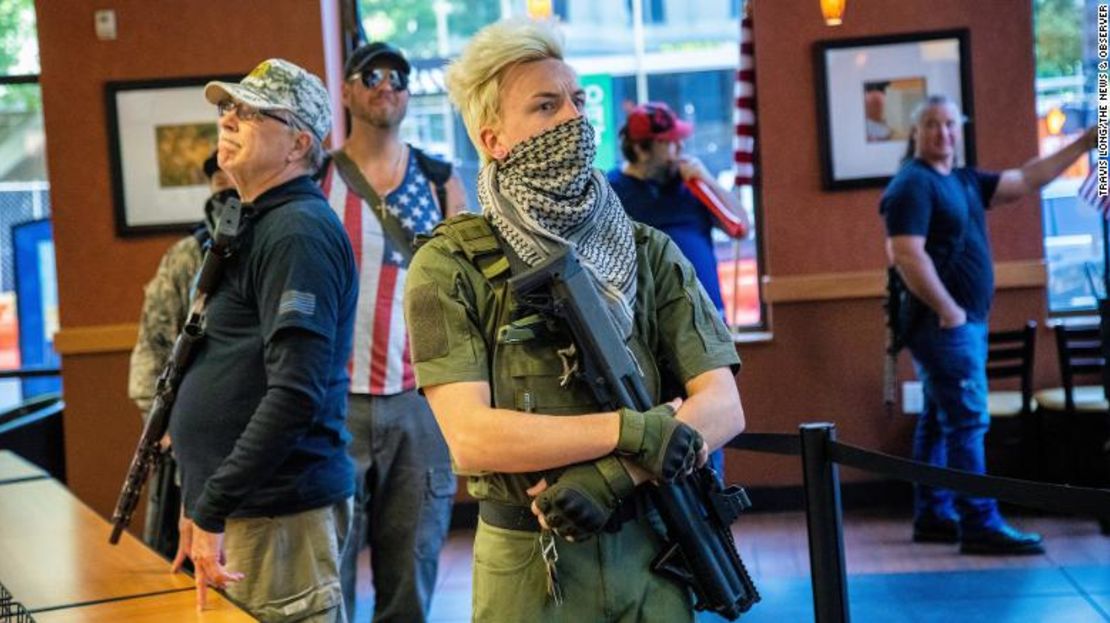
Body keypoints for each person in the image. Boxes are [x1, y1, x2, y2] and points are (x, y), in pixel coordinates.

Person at [405, 19, 745, 622]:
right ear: (494, 139)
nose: (572, 118)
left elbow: (722, 406)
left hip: (650, 548)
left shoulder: (646, 250)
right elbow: (473, 436)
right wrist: (637, 431)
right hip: (531, 564)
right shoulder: (447, 264)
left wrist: (615, 477)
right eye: (545, 106)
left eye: (577, 100)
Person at [168, 58, 358, 620]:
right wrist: (198, 499)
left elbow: (295, 392)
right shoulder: (257, 221)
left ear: (299, 144)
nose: (228, 118)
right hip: (241, 508)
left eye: (250, 111)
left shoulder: (297, 231)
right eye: (228, 107)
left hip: (279, 511)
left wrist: (213, 507)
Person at [882, 94, 1096, 555]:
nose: (943, 133)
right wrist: (948, 309)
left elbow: (1026, 179)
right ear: (916, 133)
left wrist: (1082, 144)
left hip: (960, 325)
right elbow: (905, 254)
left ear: (959, 129)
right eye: (933, 125)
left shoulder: (961, 179)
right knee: (968, 422)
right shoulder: (913, 184)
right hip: (944, 327)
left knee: (941, 421)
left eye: (950, 124)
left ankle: (934, 515)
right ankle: (979, 521)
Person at [319, 41, 466, 623]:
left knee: (413, 562)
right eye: (372, 74)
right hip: (335, 400)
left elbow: (471, 288)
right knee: (330, 562)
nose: (388, 84)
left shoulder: (438, 181)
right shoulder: (316, 180)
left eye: (400, 77)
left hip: (421, 399)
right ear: (348, 91)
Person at [608, 102, 749, 477]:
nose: (679, 151)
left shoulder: (690, 187)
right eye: (669, 144)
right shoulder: (613, 190)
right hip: (645, 324)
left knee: (711, 404)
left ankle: (711, 491)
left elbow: (740, 224)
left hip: (703, 319)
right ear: (641, 148)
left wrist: (705, 180)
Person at [128, 152, 237, 560]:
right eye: (218, 184)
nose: (226, 191)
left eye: (234, 182)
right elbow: (150, 351)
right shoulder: (184, 259)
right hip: (188, 441)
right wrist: (166, 429)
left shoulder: (274, 245)